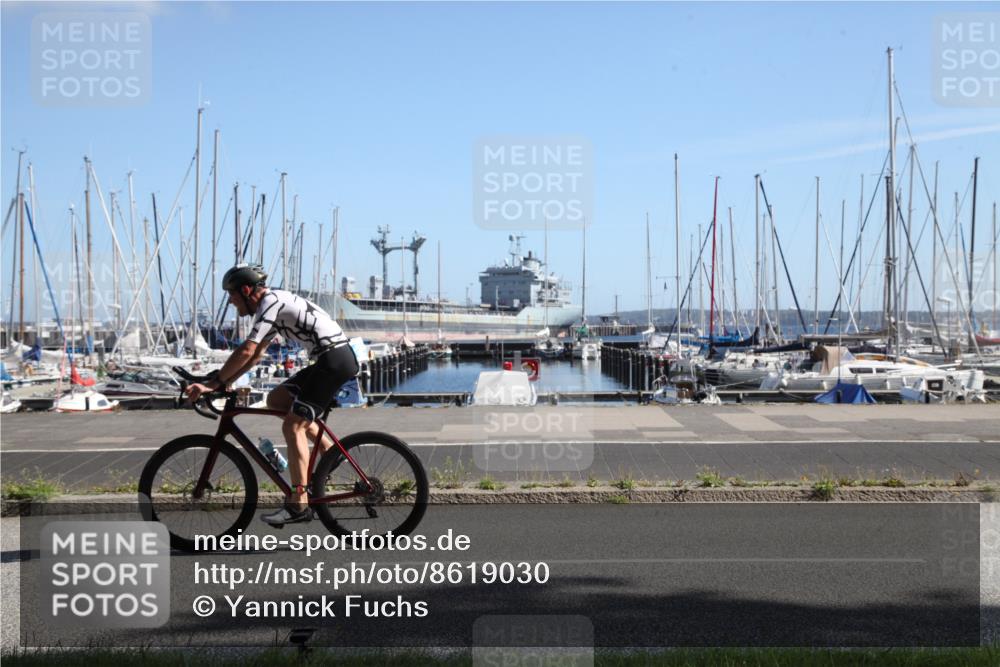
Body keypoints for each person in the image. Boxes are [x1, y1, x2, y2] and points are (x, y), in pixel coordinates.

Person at [184, 263, 359, 526]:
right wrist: (224, 382)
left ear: (246, 290)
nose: (231, 302)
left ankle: (298, 505)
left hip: (333, 361)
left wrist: (215, 383)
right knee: (277, 400)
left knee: (293, 426)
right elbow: (255, 356)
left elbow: (246, 349)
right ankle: (330, 454)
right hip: (329, 359)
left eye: (232, 295)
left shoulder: (271, 301)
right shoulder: (274, 305)